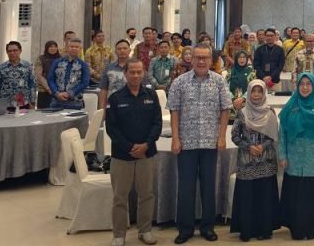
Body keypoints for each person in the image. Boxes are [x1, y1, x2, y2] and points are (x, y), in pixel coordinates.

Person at [167, 44, 232, 244]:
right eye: (198, 57)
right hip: (186, 143)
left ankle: (207, 227)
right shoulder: (179, 82)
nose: (201, 61)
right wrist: (175, 138)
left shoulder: (219, 81)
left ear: (211, 60)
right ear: (191, 59)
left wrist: (222, 136)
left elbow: (225, 109)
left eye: (205, 58)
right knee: (185, 188)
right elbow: (174, 111)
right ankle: (185, 229)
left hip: (210, 143)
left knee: (208, 187)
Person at [107, 58, 162, 246]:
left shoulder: (151, 95)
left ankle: (145, 230)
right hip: (122, 156)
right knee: (120, 197)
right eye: (132, 72)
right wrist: (130, 147)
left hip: (147, 153)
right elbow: (112, 129)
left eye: (139, 72)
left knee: (146, 194)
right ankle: (119, 234)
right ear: (125, 74)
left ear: (144, 72)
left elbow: (157, 123)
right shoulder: (115, 98)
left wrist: (146, 145)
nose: (136, 75)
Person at [278, 72, 314, 240]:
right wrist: (282, 155)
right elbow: (282, 133)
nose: (305, 87)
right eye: (302, 84)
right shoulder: (290, 106)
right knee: (296, 195)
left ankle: (312, 227)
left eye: (309, 84)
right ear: (297, 86)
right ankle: (296, 228)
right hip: (294, 159)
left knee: (312, 194)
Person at [230, 80, 281, 241]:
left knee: (264, 197)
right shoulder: (242, 113)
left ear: (264, 93)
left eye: (260, 91)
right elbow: (235, 136)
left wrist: (262, 146)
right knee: (247, 197)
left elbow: (273, 135)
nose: (257, 94)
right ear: (249, 93)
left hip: (266, 162)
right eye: (254, 91)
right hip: (247, 163)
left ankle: (264, 230)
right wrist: (248, 147)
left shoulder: (270, 112)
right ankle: (247, 230)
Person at [47, 38, 90, 109]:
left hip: (75, 102)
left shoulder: (83, 65)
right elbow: (50, 79)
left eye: (76, 47)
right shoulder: (57, 62)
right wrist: (57, 93)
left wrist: (69, 93)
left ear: (80, 49)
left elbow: (85, 82)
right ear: (67, 48)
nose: (74, 48)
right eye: (72, 46)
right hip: (56, 101)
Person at [0, 40, 37, 110]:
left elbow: (33, 84)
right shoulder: (1, 67)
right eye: (9, 51)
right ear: (7, 52)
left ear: (20, 51)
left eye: (15, 50)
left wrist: (33, 102)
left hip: (24, 103)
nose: (12, 53)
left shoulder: (28, 66)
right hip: (5, 104)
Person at [36, 40, 61, 108]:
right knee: (44, 111)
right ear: (47, 48)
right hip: (44, 90)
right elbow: (39, 75)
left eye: (55, 47)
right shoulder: (41, 58)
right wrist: (49, 88)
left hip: (59, 91)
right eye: (50, 47)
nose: (53, 48)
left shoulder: (61, 58)